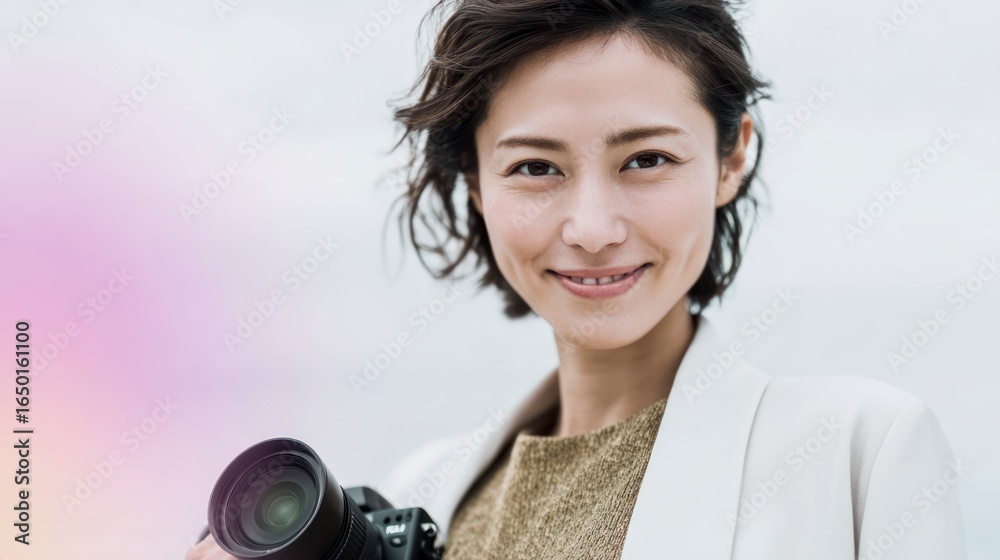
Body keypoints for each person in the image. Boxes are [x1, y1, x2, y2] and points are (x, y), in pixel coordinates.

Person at [186, 1, 967, 558]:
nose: (592, 228)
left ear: (732, 156)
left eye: (647, 159)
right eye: (535, 167)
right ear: (476, 185)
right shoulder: (421, 487)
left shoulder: (860, 452)